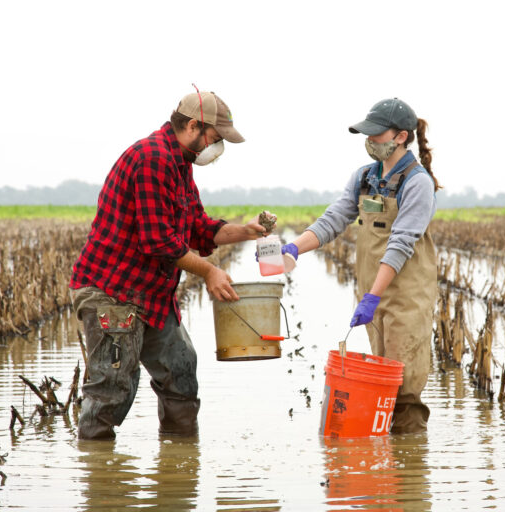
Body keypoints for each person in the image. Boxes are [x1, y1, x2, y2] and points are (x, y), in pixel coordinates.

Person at [69, 87, 266, 440]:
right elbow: (158, 241)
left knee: (181, 369)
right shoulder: (152, 158)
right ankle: (100, 478)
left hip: (150, 296)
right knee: (113, 389)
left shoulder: (180, 166)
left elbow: (198, 228)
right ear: (193, 126)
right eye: (215, 138)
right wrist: (209, 271)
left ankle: (179, 466)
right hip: (113, 294)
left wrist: (244, 232)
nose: (216, 147)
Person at [282, 98, 440, 434]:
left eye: (376, 135)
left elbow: (400, 245)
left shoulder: (417, 182)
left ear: (400, 137)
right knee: (381, 387)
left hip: (405, 301)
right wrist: (296, 247)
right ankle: (385, 473)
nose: (369, 141)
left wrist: (372, 296)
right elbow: (334, 219)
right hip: (375, 297)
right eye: (366, 135)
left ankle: (410, 475)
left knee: (404, 391)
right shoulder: (365, 177)